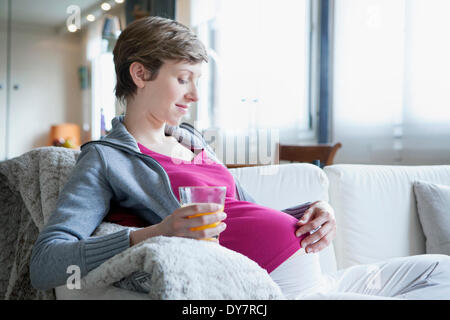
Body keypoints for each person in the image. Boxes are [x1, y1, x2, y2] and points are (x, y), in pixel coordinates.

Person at [30, 16, 450, 299]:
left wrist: (311, 213)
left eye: (197, 81)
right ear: (140, 74)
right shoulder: (106, 160)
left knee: (441, 268)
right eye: (183, 79)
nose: (195, 96)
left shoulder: (193, 141)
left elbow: (243, 213)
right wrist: (155, 232)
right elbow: (47, 264)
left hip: (316, 279)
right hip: (275, 291)